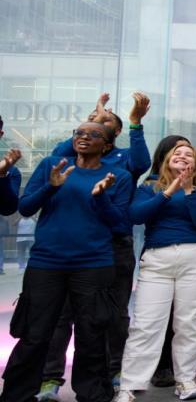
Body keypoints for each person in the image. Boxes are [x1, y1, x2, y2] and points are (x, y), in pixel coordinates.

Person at [0, 122, 132, 402]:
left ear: (107, 146)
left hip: (94, 265)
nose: (84, 137)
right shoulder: (52, 164)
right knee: (35, 334)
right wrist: (50, 186)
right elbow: (25, 208)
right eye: (79, 133)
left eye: (93, 134)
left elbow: (120, 225)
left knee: (92, 334)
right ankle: (17, 394)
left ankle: (93, 394)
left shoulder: (117, 176)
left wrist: (101, 198)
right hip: (47, 263)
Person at [37, 92, 151, 399]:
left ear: (112, 136)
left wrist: (135, 123)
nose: (92, 129)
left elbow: (142, 162)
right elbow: (58, 153)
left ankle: (114, 370)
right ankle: (50, 377)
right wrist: (93, 120)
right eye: (86, 127)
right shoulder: (71, 158)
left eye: (102, 125)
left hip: (113, 247)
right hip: (75, 249)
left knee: (111, 314)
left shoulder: (122, 160)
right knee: (62, 315)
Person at [114, 142, 196, 401]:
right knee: (146, 324)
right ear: (166, 161)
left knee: (189, 324)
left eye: (189, 154)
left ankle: (185, 380)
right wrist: (170, 191)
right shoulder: (149, 188)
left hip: (195, 258)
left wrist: (189, 190)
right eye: (177, 154)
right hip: (157, 260)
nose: (183, 157)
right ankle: (129, 385)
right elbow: (137, 215)